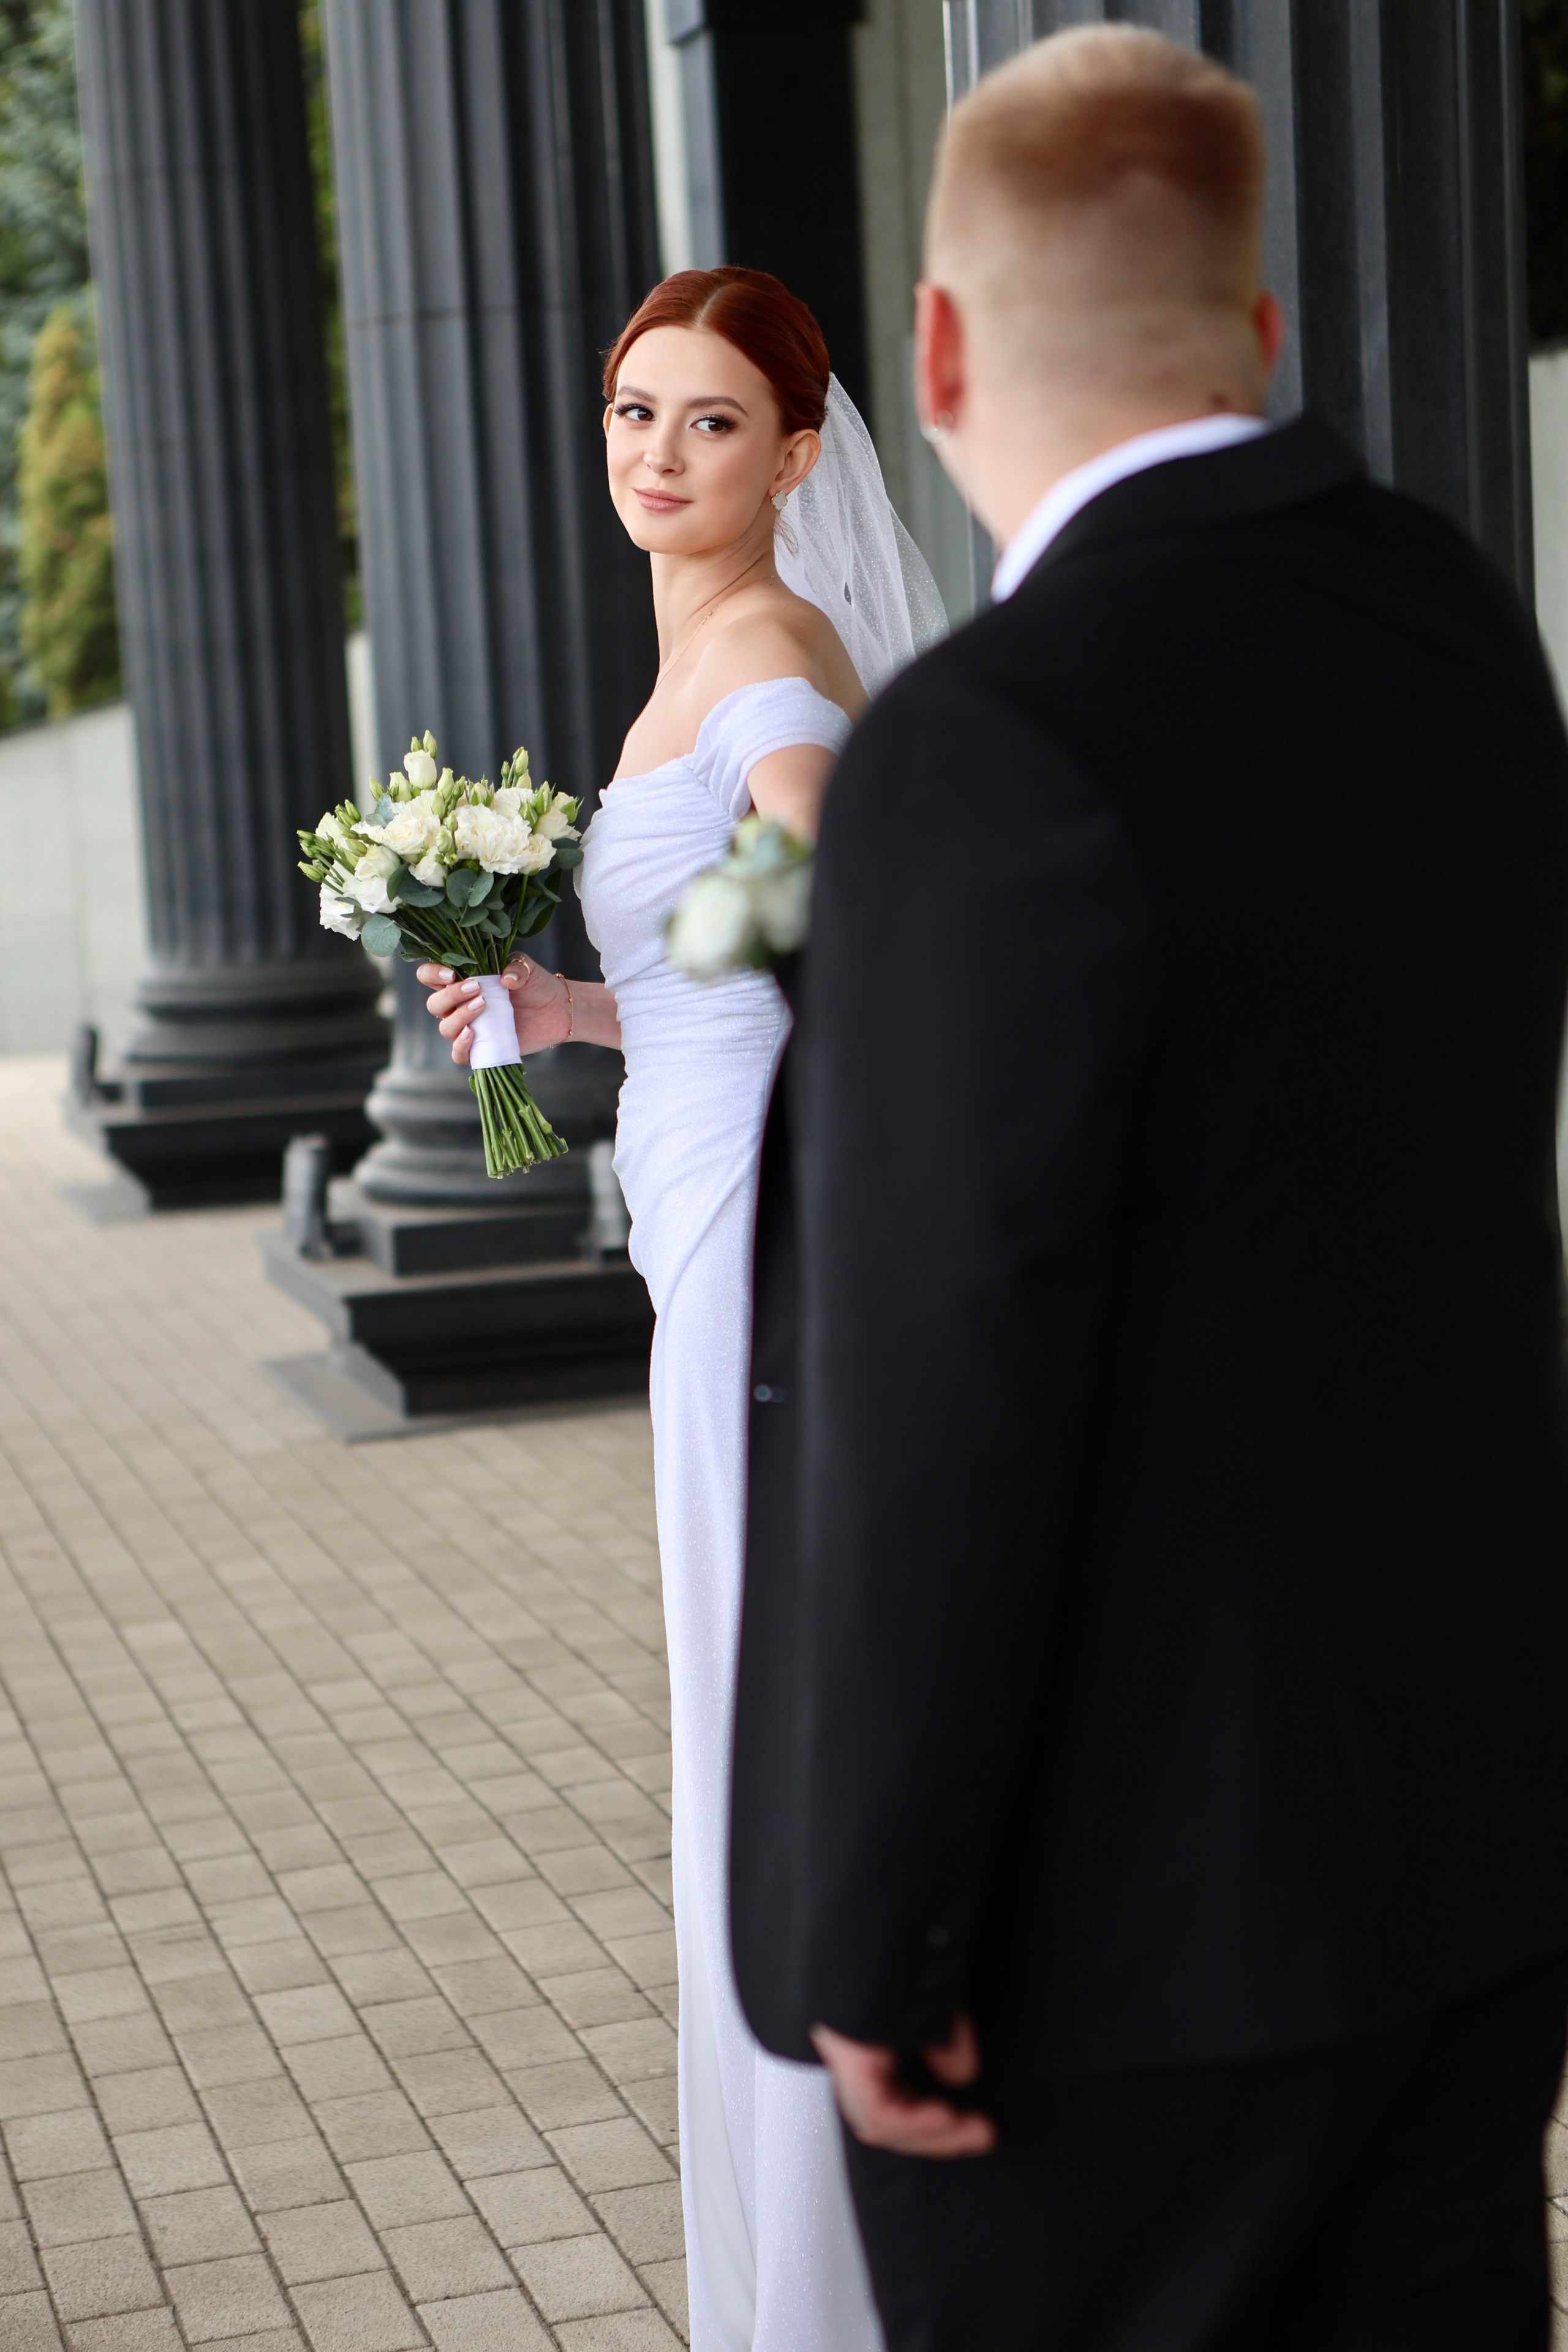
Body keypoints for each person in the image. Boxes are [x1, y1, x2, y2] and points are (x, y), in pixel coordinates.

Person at [729, 26, 1568, 2350]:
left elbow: (942, 1385)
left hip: (1109, 1957)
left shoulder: (990, 744)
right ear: (1262, 325)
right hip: (1469, 1860)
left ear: (936, 346)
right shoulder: (1464, 636)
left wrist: (881, 1932)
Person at [418, 265, 938, 2351]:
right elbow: (740, 967)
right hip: (705, 1232)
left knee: (777, 1720)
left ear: (799, 455)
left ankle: (839, 2286)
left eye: (713, 421)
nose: (661, 453)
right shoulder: (694, 663)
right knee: (746, 1709)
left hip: (763, 1253)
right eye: (638, 411)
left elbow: (875, 917)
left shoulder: (771, 662)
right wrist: (562, 1003)